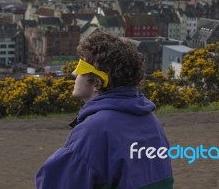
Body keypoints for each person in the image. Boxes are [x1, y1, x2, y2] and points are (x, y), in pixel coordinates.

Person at [36, 32, 173, 189]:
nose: (74, 73)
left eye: (81, 66)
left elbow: (56, 183)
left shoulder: (95, 130)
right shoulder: (152, 121)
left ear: (97, 83)